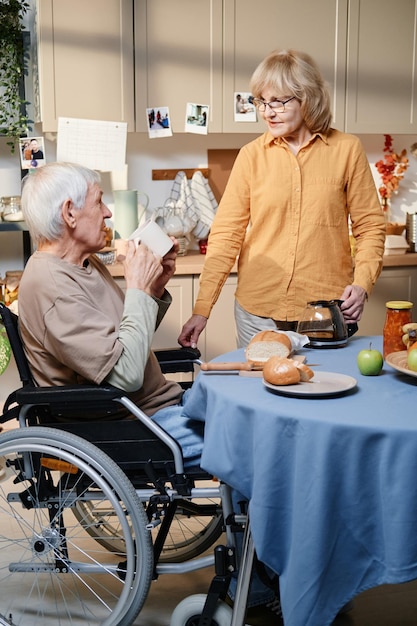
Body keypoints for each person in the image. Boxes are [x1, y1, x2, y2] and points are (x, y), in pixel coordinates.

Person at [179, 49, 386, 350]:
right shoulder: (251, 156)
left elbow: (370, 228)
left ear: (309, 98)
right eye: (261, 101)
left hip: (324, 310)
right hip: (258, 310)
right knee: (259, 392)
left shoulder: (347, 150)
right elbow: (226, 236)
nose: (267, 112)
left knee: (322, 390)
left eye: (279, 102)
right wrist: (202, 309)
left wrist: (363, 284)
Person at [18, 161, 203, 469]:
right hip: (132, 424)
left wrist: (152, 288)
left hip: (156, 407)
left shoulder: (85, 264)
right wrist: (137, 289)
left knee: (243, 399)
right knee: (254, 438)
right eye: (99, 201)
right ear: (69, 213)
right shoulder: (51, 286)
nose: (108, 213)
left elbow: (125, 339)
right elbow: (127, 375)